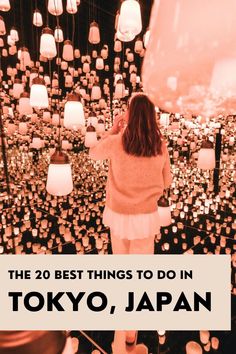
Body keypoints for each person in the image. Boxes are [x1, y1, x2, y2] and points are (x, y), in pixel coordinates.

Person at [89, 94, 172, 254]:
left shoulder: (116, 141)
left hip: (119, 213)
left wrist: (112, 130)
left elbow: (93, 153)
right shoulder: (160, 145)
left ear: (130, 113)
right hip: (146, 215)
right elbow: (167, 181)